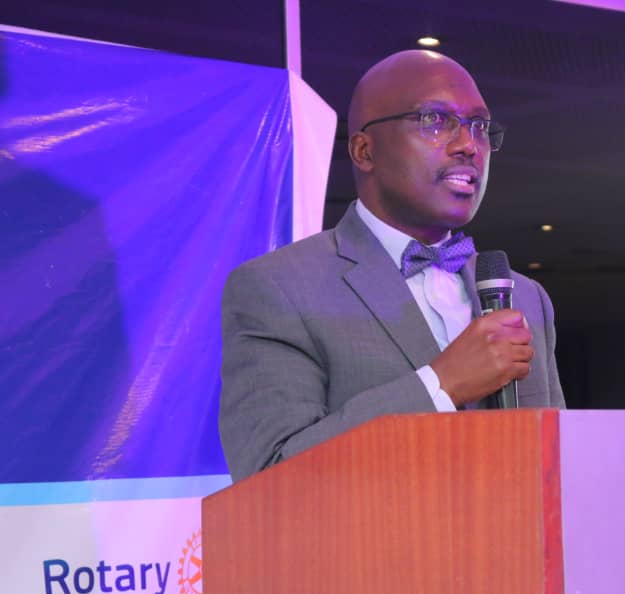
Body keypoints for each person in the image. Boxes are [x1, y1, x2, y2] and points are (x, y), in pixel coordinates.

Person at [219, 50, 564, 482]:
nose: (468, 145)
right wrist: (441, 384)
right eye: (435, 120)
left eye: (479, 125)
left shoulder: (524, 296)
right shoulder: (279, 288)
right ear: (364, 151)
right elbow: (270, 474)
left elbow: (557, 470)